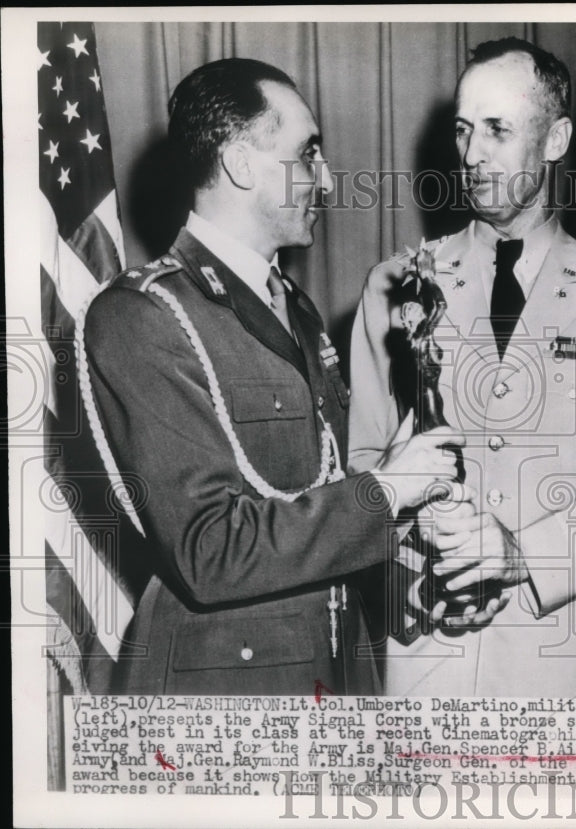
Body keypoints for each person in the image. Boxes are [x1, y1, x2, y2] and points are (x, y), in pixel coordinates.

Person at [81, 58, 465, 695]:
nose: (329, 180)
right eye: (308, 153)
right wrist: (387, 490)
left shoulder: (293, 308)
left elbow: (318, 500)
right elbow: (209, 551)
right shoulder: (143, 315)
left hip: (333, 674)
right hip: (224, 698)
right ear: (239, 164)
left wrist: (413, 586)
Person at [349, 38, 576, 698]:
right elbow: (361, 472)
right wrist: (415, 572)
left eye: (498, 130)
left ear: (555, 139)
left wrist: (521, 555)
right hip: (429, 658)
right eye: (465, 131)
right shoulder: (396, 286)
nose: (471, 156)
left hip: (564, 670)